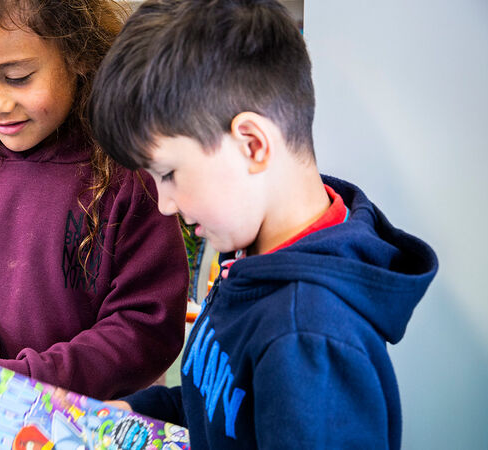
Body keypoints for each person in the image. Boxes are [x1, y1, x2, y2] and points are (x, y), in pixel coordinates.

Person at [88, 0, 439, 448]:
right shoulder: (253, 255)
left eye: (170, 174)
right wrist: (134, 412)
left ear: (252, 144)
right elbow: (220, 409)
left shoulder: (309, 340)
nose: (165, 205)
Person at [0, 0, 189, 448]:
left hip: (66, 432)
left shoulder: (125, 177)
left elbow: (145, 330)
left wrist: (15, 387)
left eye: (18, 77)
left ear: (78, 54)